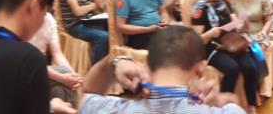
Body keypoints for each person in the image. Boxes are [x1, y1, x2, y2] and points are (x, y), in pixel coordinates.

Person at [74, 25, 248, 114]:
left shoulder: (114, 109)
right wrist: (221, 103)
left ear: (147, 68)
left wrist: (113, 62)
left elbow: (86, 97)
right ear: (201, 69)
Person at [189, 0, 260, 111]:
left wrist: (243, 23)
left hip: (230, 43)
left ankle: (251, 105)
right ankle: (225, 108)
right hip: (212, 47)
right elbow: (196, 40)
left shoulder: (224, 3)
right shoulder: (199, 9)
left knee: (250, 67)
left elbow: (235, 25)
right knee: (231, 68)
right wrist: (209, 34)